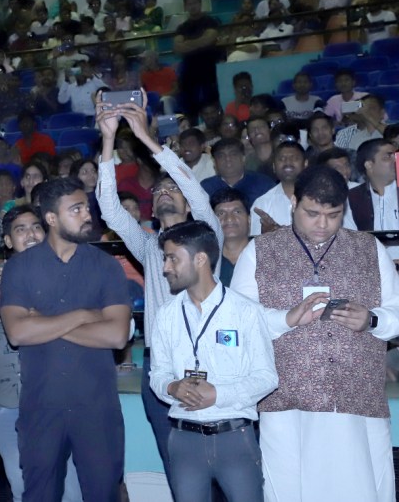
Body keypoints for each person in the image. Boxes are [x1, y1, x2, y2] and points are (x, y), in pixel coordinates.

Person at [232, 165, 399, 502]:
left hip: (357, 401)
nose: (323, 224)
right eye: (312, 213)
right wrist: (286, 318)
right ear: (294, 202)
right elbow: (237, 321)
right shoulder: (259, 252)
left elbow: (396, 312)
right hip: (286, 403)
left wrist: (372, 321)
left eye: (333, 215)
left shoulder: (370, 250)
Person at [95, 95, 224, 476]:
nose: (164, 192)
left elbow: (199, 194)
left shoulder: (207, 235)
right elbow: (110, 209)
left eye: (173, 190)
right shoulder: (149, 247)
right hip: (161, 362)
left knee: (216, 458)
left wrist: (147, 139)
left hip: (210, 360)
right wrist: (107, 141)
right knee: (175, 463)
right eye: (158, 191)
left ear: (187, 203)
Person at [0, 179, 131, 501]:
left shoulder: (107, 267)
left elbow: (116, 336)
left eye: (86, 207)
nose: (87, 215)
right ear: (52, 219)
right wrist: (86, 314)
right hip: (40, 409)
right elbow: (17, 333)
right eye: (76, 209)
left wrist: (41, 323)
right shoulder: (19, 268)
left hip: (98, 410)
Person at [149, 221, 278, 502]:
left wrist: (217, 394)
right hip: (184, 440)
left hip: (235, 437)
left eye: (173, 258)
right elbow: (157, 374)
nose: (165, 268)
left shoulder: (245, 311)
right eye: (165, 258)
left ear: (200, 259)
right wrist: (172, 387)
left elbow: (267, 377)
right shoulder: (166, 315)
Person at [0, 207, 82, 502]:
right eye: (20, 229)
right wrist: (4, 290)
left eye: (35, 227)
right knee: (23, 485)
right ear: (8, 240)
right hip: (12, 401)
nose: (31, 234)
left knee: (70, 487)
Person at [348, 139, 398, 262]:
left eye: (396, 155)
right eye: (388, 156)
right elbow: (349, 241)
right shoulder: (352, 198)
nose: (395, 160)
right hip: (373, 270)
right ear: (369, 165)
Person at [173, 0, 221, 118]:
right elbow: (178, 47)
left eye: (194, 3)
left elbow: (209, 39)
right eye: (189, 4)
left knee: (212, 104)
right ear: (185, 7)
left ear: (200, 4)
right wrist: (200, 42)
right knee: (190, 108)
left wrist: (188, 43)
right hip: (189, 72)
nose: (192, 6)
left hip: (209, 69)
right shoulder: (182, 27)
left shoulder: (210, 21)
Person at [200, 138, 276, 209]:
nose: (227, 159)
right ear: (214, 162)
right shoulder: (206, 187)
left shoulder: (264, 184)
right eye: (221, 156)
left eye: (233, 154)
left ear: (243, 158)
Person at [209, 189, 251, 288]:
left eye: (237, 212)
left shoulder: (266, 253)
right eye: (221, 213)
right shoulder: (206, 262)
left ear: (249, 219)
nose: (229, 219)